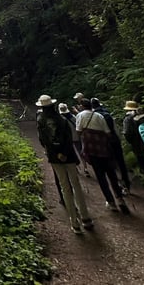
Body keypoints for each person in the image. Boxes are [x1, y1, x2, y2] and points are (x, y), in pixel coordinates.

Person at [36, 94, 94, 234]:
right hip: (68, 155)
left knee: (64, 187)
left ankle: (74, 222)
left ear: (42, 107)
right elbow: (69, 138)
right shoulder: (61, 119)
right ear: (53, 105)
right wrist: (64, 152)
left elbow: (43, 140)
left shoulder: (40, 120)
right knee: (76, 185)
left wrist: (56, 153)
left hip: (54, 157)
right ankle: (86, 218)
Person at [76, 98, 130, 214]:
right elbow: (108, 132)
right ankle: (120, 199)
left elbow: (78, 131)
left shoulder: (80, 116)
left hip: (92, 150)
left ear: (82, 106)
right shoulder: (99, 116)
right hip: (104, 149)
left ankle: (111, 202)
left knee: (101, 177)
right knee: (112, 174)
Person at [91, 98, 131, 194]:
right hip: (114, 141)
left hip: (104, 143)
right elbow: (115, 129)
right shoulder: (107, 114)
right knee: (121, 163)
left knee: (111, 165)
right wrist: (119, 139)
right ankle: (126, 185)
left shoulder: (94, 117)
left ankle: (118, 186)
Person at [59, 103, 90, 177]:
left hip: (68, 139)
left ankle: (75, 167)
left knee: (71, 152)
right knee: (80, 152)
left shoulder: (60, 119)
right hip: (76, 136)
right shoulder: (73, 117)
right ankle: (85, 168)